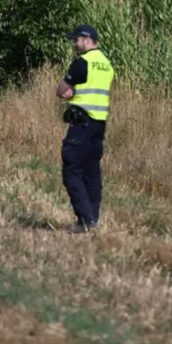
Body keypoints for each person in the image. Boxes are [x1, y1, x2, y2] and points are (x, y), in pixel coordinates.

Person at [56, 24, 115, 233]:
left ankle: (85, 219)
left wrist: (67, 92)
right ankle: (93, 218)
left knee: (72, 169)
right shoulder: (107, 64)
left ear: (86, 39)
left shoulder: (83, 63)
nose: (73, 43)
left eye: (76, 39)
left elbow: (62, 90)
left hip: (82, 122)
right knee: (92, 172)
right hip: (99, 123)